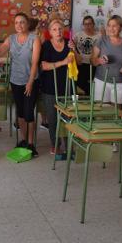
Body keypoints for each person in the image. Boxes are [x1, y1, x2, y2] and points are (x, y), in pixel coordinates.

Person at [0, 12, 41, 156]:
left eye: (22, 22)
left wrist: (30, 82)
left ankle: (30, 143)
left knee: (29, 113)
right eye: (16, 23)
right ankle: (23, 139)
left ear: (27, 24)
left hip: (31, 81)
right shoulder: (11, 38)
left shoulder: (35, 39)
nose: (19, 25)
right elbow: (0, 51)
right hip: (15, 81)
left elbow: (35, 63)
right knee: (20, 113)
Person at [40, 19, 79, 158]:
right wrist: (63, 62)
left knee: (68, 118)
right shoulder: (46, 45)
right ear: (50, 32)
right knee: (53, 119)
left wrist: (73, 50)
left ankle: (69, 146)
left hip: (67, 87)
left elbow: (78, 62)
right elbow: (43, 65)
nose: (58, 32)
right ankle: (55, 145)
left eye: (60, 29)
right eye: (55, 29)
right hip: (50, 88)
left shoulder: (70, 43)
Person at [91, 15, 122, 105]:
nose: (111, 28)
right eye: (109, 25)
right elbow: (92, 60)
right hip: (101, 81)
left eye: (114, 26)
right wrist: (99, 60)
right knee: (100, 112)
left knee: (116, 113)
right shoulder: (101, 40)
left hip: (120, 83)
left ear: (121, 27)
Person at [73, 15, 100, 94]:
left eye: (89, 24)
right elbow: (71, 46)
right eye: (85, 24)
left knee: (92, 85)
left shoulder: (99, 36)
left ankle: (89, 98)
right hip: (80, 64)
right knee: (80, 83)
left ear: (93, 24)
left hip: (93, 65)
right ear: (83, 25)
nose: (87, 26)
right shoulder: (78, 35)